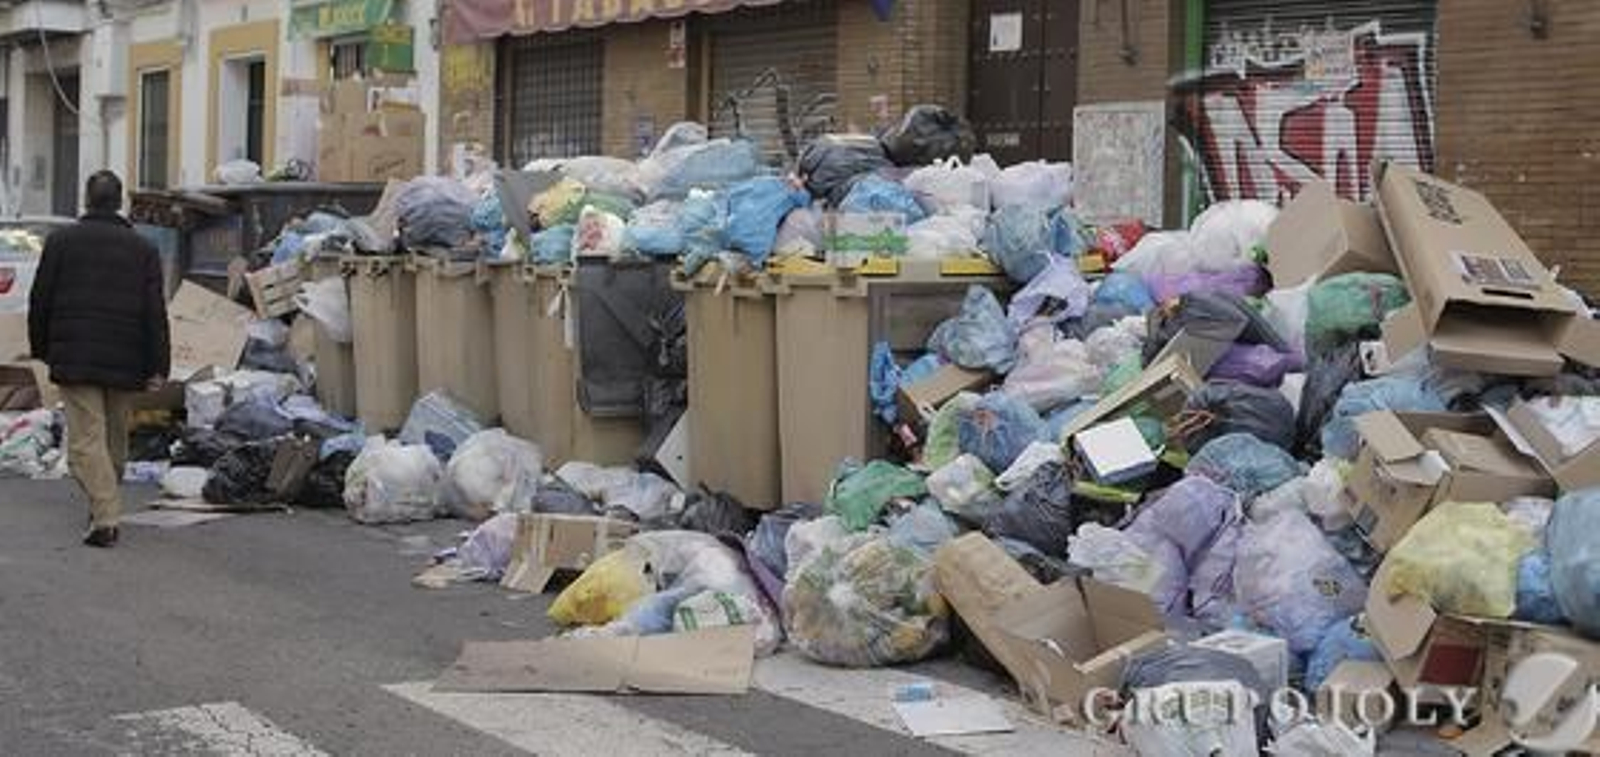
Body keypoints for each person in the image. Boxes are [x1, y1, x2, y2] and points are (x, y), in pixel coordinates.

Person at [29, 170, 169, 548]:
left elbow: (39, 300)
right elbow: (155, 312)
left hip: (74, 352)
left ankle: (106, 516)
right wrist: (159, 365)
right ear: (119, 200)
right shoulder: (142, 249)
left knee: (86, 441)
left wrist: (41, 347)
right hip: (126, 358)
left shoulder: (61, 242)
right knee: (114, 436)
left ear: (87, 200)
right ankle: (104, 503)